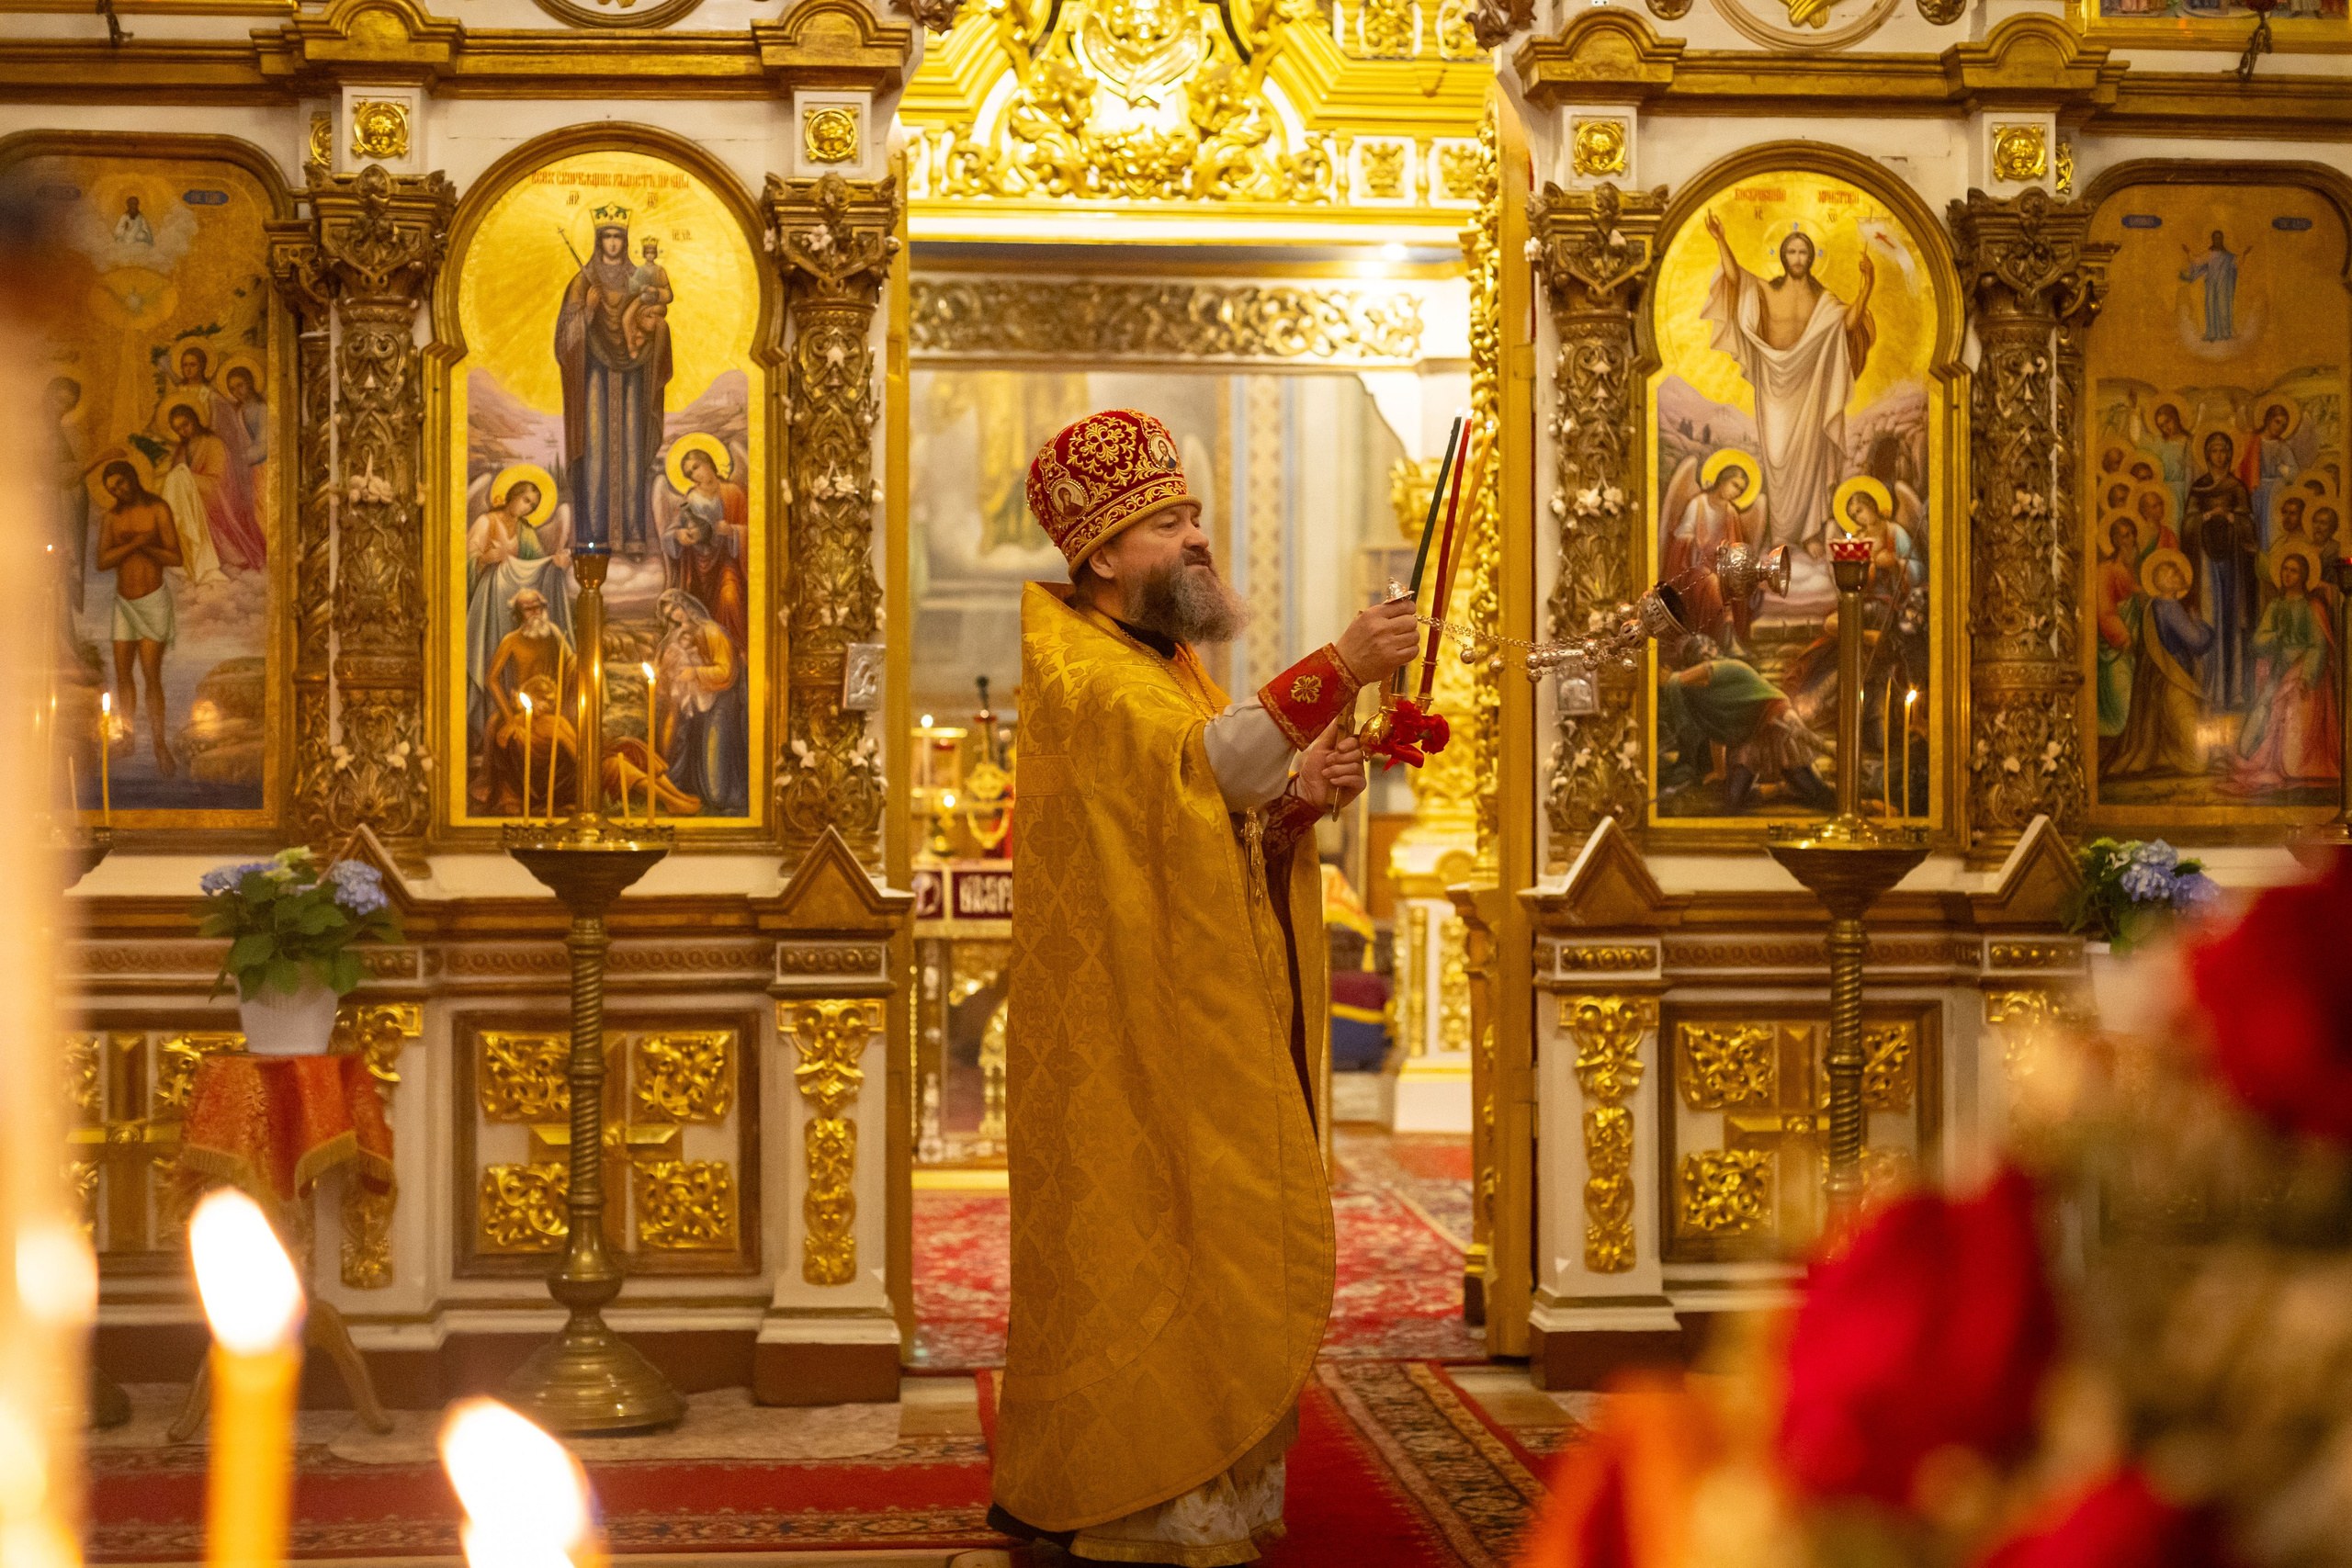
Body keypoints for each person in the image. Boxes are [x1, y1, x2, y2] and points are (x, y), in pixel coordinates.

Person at [993, 408, 1419, 1566]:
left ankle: (1204, 1483)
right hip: (1119, 1035)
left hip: (1180, 1004)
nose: (1197, 540)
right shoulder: (1083, 672)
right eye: (1166, 523)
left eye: (1194, 517)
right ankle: (1125, 1493)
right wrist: (1340, 667)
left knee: (1204, 1224)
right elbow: (1203, 766)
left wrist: (1295, 806)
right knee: (1146, 1229)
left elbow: (1201, 814)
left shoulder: (1164, 660)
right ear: (1098, 555)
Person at [1700, 211, 1875, 552]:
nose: (1798, 258)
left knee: (1810, 458)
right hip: (1774, 386)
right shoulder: (1766, 290)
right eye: (1792, 252)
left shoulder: (1824, 300)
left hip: (1810, 387)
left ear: (1812, 258)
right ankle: (1781, 535)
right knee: (1778, 459)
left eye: (1804, 253)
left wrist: (1868, 284)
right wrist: (1721, 239)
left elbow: (1849, 323)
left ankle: (1809, 534)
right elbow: (1734, 278)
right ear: (1783, 257)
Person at [556, 210, 673, 557]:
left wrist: (651, 327)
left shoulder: (639, 278)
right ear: (598, 241)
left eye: (618, 238)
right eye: (607, 237)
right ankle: (594, 537)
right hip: (593, 371)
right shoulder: (582, 281)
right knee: (595, 448)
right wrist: (587, 311)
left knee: (632, 451)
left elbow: (656, 321)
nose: (612, 243)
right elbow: (565, 336)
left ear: (625, 242)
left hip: (635, 372)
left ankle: (634, 536)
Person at [1657, 638, 1837, 813]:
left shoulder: (1728, 666)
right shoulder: (1704, 693)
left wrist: (1672, 678)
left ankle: (1839, 802)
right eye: (1701, 657)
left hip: (1775, 721)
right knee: (1733, 801)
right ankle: (1780, 790)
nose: (1707, 659)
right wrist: (1720, 773)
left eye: (1708, 653)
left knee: (1809, 788)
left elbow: (1708, 669)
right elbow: (1718, 733)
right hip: (1748, 736)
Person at [467, 475, 573, 752]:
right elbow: (464, 564)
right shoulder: (485, 522)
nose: (528, 508)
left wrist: (553, 563)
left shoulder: (525, 531)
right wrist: (485, 559)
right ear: (513, 495)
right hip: (490, 602)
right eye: (526, 500)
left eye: (533, 506)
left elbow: (534, 565)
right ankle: (490, 723)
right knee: (493, 655)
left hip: (514, 605)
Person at [2225, 547, 2340, 795]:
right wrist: (2276, 636)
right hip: (2278, 669)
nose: (2288, 575)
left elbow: (2318, 645)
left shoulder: (2313, 607)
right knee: (2264, 710)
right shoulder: (2275, 606)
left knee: (2293, 711)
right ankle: (2258, 755)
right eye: (2285, 570)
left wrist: (2307, 675)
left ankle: (2295, 765)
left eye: (2294, 571)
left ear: (2304, 576)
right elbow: (2257, 641)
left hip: (2304, 671)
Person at [96, 461, 183, 776]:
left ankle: (160, 744)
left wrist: (147, 548)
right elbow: (103, 560)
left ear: (133, 477)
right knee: (122, 673)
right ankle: (128, 737)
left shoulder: (158, 509)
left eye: (121, 483)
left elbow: (175, 556)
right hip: (124, 604)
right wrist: (135, 543)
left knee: (150, 674)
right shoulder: (112, 517)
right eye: (112, 489)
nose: (119, 491)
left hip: (152, 602)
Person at [2109, 548, 2216, 780]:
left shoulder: (2156, 606)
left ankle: (2165, 755)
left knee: (2194, 743)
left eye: (2177, 571)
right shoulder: (2168, 607)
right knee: (2200, 760)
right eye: (2172, 572)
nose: (2178, 574)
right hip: (2174, 682)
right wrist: (2203, 626)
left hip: (2169, 681)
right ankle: (2168, 757)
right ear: (2161, 581)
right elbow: (2197, 641)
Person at [653, 588, 748, 817]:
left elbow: (726, 672)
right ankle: (682, 793)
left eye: (675, 609)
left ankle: (726, 797)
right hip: (694, 701)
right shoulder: (677, 636)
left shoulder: (711, 631)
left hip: (722, 701)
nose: (675, 616)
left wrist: (694, 673)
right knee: (675, 738)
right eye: (669, 614)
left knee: (716, 777)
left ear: (686, 605)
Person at [480, 587, 573, 814]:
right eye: (528, 608)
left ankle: (563, 794)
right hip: (520, 704)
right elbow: (491, 679)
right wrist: (511, 717)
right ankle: (506, 792)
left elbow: (570, 665)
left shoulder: (554, 636)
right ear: (519, 614)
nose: (535, 612)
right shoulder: (511, 640)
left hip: (551, 703)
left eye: (538, 607)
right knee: (496, 728)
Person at [2185, 431, 2258, 709]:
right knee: (2209, 620)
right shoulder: (2198, 488)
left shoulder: (2237, 488)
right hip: (2206, 563)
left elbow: (2248, 527)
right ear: (2206, 455)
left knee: (2232, 625)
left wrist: (2229, 517)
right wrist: (2205, 516)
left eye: (2225, 450)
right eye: (2215, 450)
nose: (2220, 456)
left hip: (2233, 565)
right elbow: (2188, 524)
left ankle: (2236, 691)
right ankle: (2210, 690)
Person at [159, 402, 266, 574]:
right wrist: (183, 479)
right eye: (177, 429)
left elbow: (218, 479)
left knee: (178, 478)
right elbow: (177, 477)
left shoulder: (213, 442)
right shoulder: (182, 449)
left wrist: (186, 479)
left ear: (194, 420)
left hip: (217, 494)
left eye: (185, 425)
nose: (183, 431)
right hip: (192, 494)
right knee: (174, 479)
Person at [661, 446, 748, 655]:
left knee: (729, 597)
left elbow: (755, 531)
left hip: (727, 561)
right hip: (698, 568)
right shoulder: (688, 500)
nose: (694, 475)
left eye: (696, 467)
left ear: (709, 463)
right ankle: (710, 655)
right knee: (698, 613)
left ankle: (734, 652)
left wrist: (733, 531)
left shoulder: (732, 493)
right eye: (690, 473)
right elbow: (670, 533)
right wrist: (679, 536)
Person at [2095, 517, 2144, 744]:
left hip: (2140, 644)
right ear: (2113, 540)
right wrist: (2124, 640)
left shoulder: (2138, 567)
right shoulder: (2105, 570)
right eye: (2122, 535)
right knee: (2123, 713)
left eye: (2131, 534)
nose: (2128, 540)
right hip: (2116, 648)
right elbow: (2105, 612)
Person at [2239, 402, 2301, 551]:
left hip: (2276, 494)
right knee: (2255, 528)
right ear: (2268, 420)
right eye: (2277, 422)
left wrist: (2283, 469)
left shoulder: (2282, 447)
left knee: (2270, 531)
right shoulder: (2252, 441)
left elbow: (2295, 473)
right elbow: (2241, 467)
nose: (2280, 428)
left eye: (2283, 425)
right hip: (2254, 492)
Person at [2179, 230, 2245, 343]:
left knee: (2224, 307)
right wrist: (2188, 252)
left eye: (2220, 238)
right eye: (2215, 238)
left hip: (2224, 287)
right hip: (2211, 285)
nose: (2217, 240)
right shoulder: (2208, 254)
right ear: (2213, 239)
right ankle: (2212, 333)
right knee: (2211, 307)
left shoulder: (2229, 256)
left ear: (2222, 239)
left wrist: (2244, 254)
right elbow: (2197, 261)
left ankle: (2225, 332)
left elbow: (2237, 263)